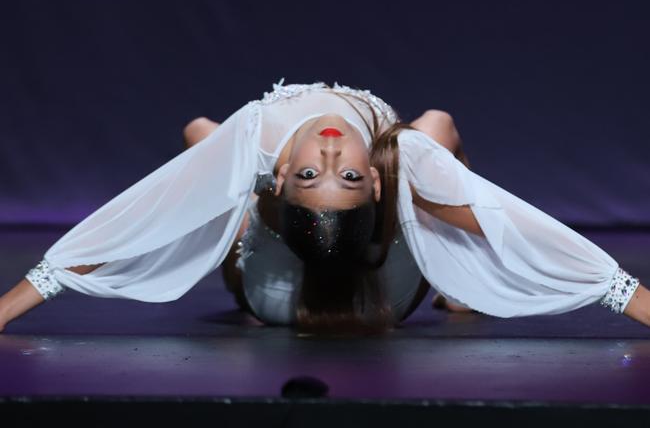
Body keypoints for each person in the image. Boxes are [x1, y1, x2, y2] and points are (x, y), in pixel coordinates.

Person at [1, 79, 648, 334]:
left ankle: (451, 285)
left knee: (205, 132)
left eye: (318, 172)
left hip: (312, 261)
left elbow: (514, 231)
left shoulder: (279, 147)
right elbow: (138, 226)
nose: (334, 153)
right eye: (326, 172)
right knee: (433, 127)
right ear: (372, 183)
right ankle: (242, 244)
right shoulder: (394, 163)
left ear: (281, 176)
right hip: (279, 265)